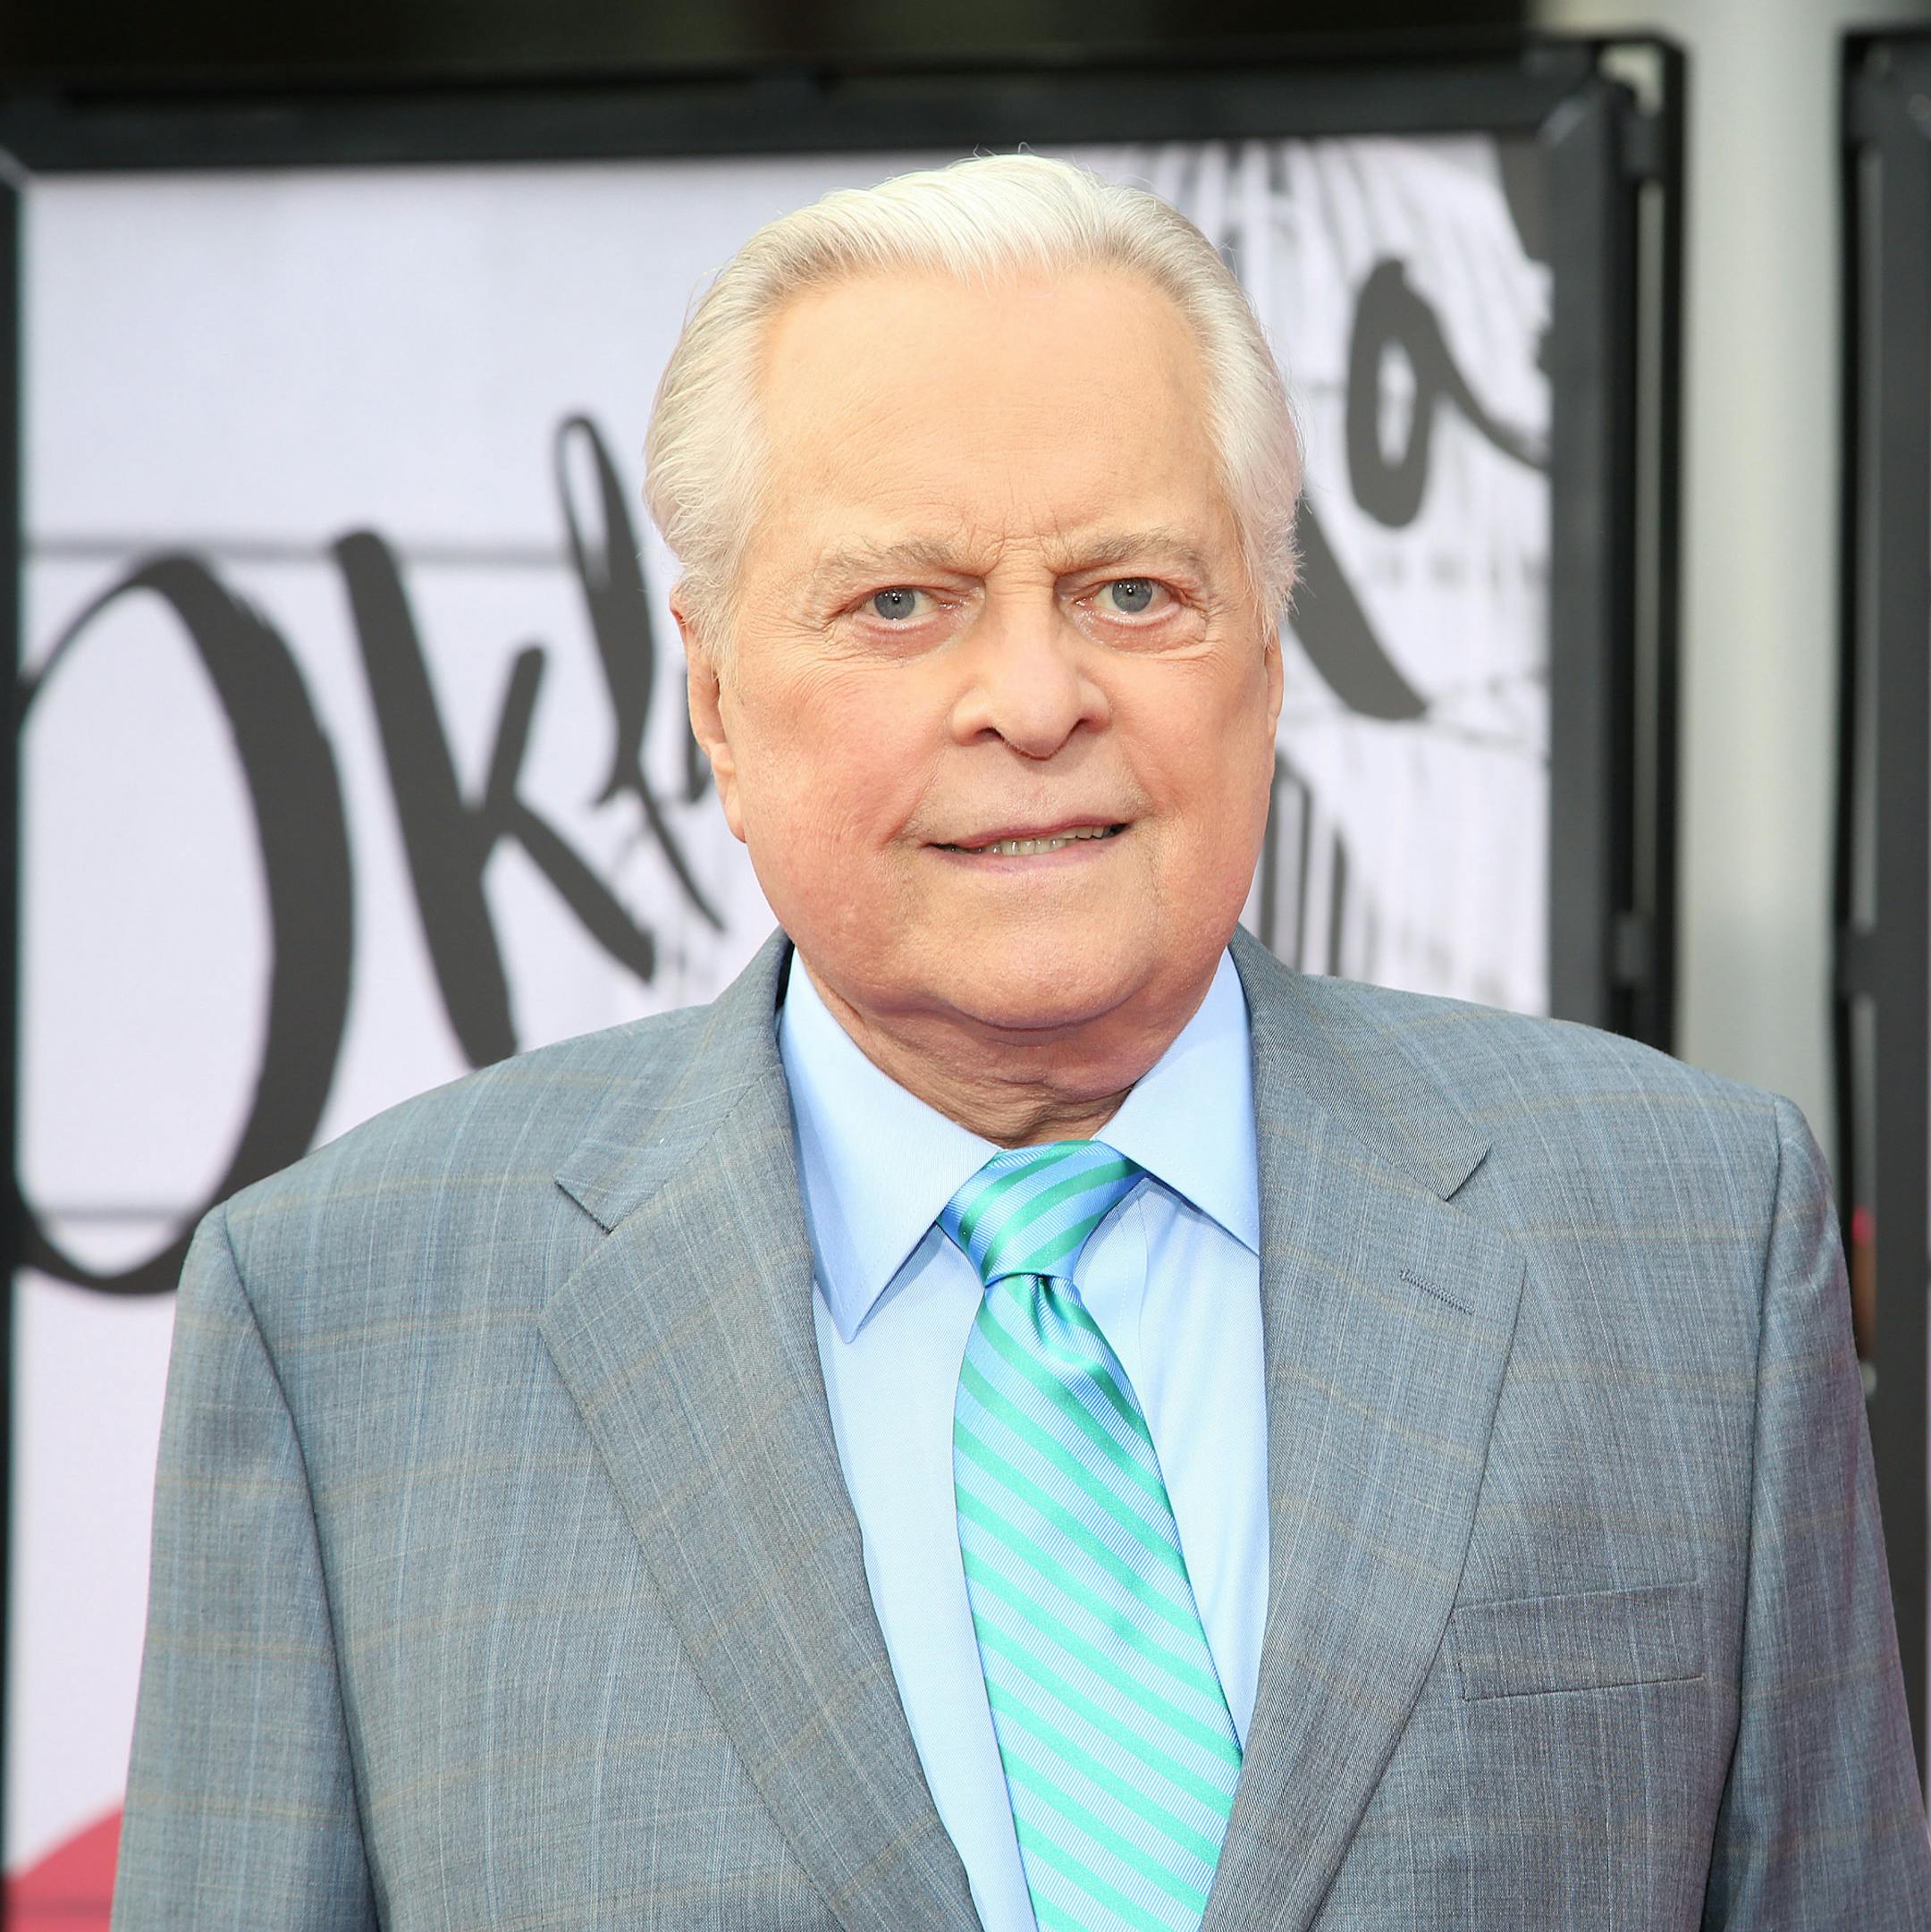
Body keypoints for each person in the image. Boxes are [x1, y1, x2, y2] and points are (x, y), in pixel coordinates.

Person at [112, 154, 1928, 1932]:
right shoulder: (345, 1321)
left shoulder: (1682, 1241)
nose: (1038, 698)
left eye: (1134, 590)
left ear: (1270, 654)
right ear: (718, 694)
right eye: (902, 601)